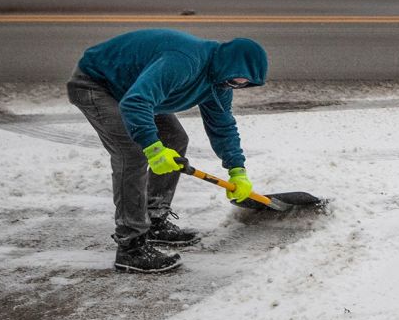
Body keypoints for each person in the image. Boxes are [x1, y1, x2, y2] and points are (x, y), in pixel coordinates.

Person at [66, 28, 268, 273]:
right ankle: (131, 247)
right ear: (228, 63)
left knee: (174, 138)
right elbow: (136, 102)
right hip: (97, 84)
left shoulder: (219, 84)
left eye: (244, 83)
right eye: (237, 78)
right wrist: (152, 148)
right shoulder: (185, 62)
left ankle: (155, 218)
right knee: (132, 153)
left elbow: (223, 126)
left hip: (134, 89)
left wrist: (237, 169)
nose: (237, 85)